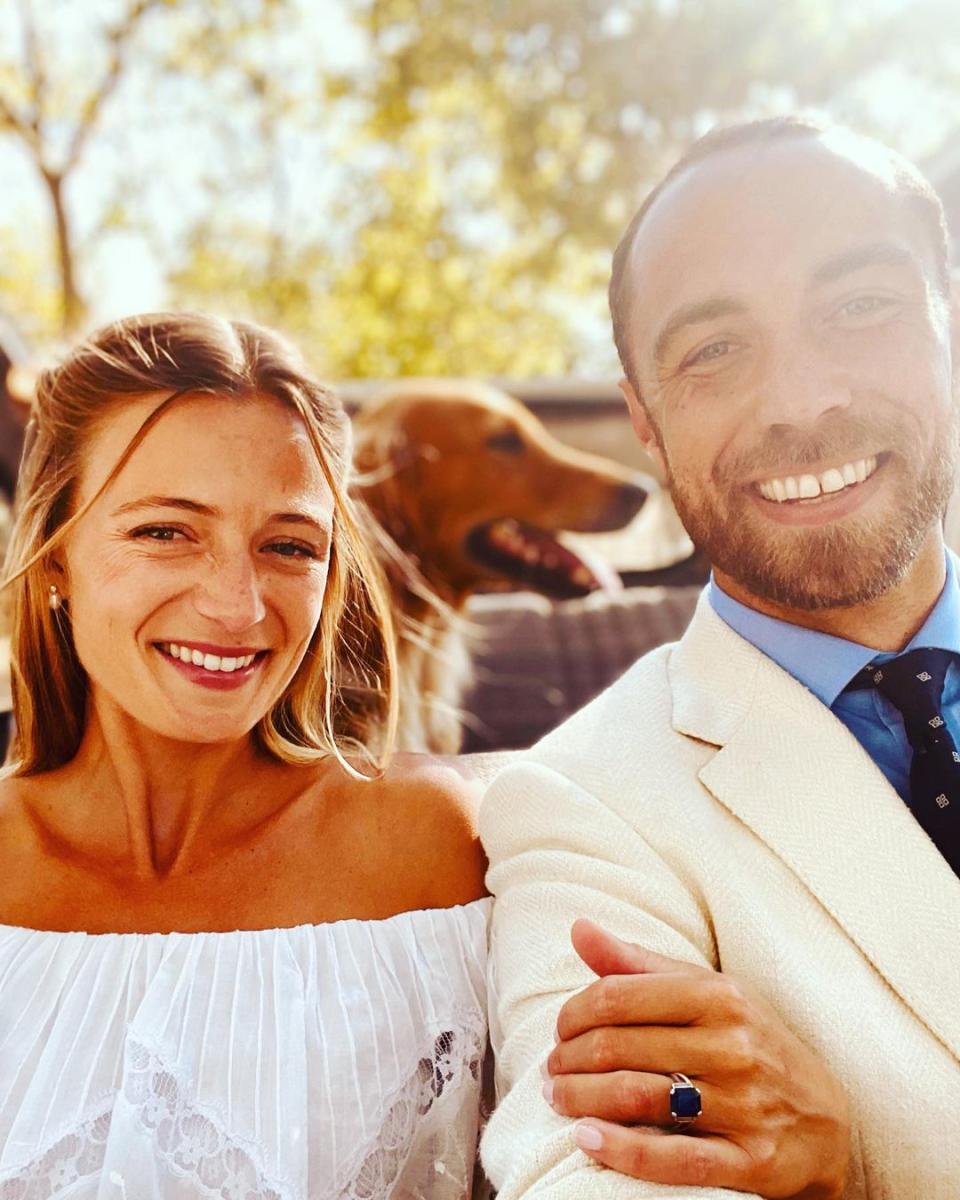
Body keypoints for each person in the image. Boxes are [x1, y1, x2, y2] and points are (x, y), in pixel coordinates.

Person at [480, 115, 960, 1199]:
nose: (803, 405)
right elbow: (584, 1173)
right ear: (645, 424)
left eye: (861, 306)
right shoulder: (580, 805)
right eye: (716, 352)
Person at [0, 313, 490, 1195]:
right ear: (55, 560)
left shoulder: (432, 849)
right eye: (165, 532)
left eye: (288, 546)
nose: (236, 605)